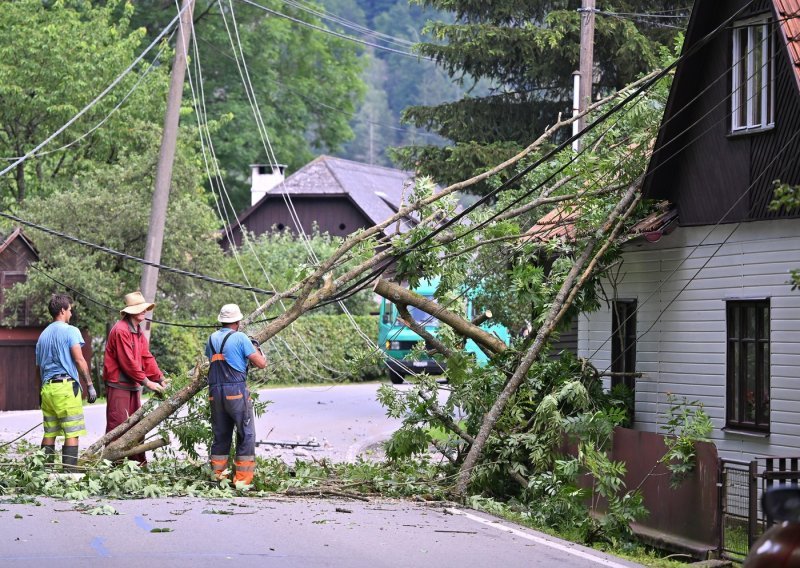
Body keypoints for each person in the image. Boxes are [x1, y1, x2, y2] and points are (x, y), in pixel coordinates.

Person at [103, 291, 167, 464]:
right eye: (140, 309)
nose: (144, 311)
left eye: (144, 308)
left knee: (136, 427)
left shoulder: (137, 330)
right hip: (118, 385)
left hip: (132, 385)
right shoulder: (121, 330)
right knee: (118, 427)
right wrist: (147, 382)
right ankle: (114, 466)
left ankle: (137, 464)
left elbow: (146, 357)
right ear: (130, 311)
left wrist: (160, 378)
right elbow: (128, 362)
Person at [35, 294, 97, 472]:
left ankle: (43, 473)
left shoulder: (42, 336)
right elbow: (79, 360)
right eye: (70, 309)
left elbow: (37, 369)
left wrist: (40, 392)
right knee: (72, 432)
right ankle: (69, 474)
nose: (71, 312)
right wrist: (90, 385)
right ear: (62, 310)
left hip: (47, 389)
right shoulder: (71, 331)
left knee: (50, 432)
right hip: (65, 388)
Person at [206, 304, 266, 485]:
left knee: (221, 434)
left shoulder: (211, 338)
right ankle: (242, 480)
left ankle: (218, 477)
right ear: (238, 321)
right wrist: (256, 347)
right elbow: (261, 363)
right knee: (246, 434)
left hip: (215, 393)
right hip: (236, 392)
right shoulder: (240, 338)